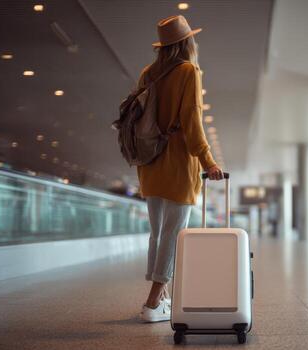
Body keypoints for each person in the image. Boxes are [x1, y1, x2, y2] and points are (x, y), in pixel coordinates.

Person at [137, 15, 223, 322]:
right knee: (173, 234)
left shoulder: (148, 73)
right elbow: (191, 121)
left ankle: (160, 297)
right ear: (186, 43)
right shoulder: (189, 70)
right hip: (176, 162)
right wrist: (208, 160)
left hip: (149, 162)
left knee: (157, 233)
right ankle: (151, 302)